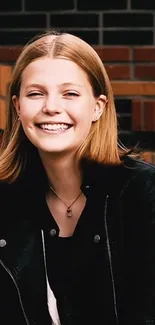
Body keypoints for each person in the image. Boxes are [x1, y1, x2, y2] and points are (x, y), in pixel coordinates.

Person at [0, 29, 155, 325]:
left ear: (98, 107)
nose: (51, 107)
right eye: (36, 93)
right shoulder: (6, 199)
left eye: (70, 93)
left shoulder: (143, 193)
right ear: (18, 107)